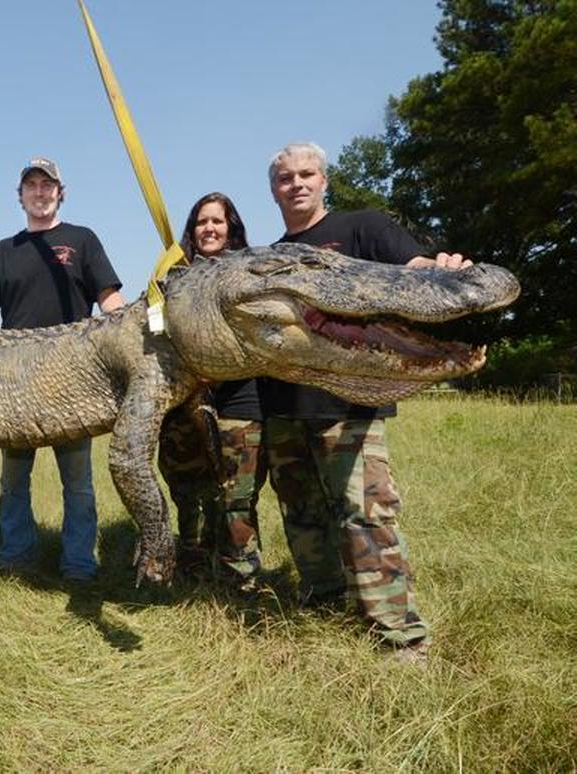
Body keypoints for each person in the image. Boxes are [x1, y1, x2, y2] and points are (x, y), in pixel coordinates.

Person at [262, 142, 470, 656]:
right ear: (274, 190)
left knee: (365, 515)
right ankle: (325, 604)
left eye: (307, 174)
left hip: (350, 405)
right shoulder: (273, 256)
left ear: (324, 180)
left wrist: (440, 266)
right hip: (285, 406)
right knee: (302, 514)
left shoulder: (363, 228)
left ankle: (399, 635)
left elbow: (414, 265)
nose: (297, 184)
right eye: (286, 178)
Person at [0, 157, 125, 582]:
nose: (40, 192)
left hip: (74, 381)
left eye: (48, 185)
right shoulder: (4, 251)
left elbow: (110, 302)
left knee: (79, 484)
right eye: (32, 186)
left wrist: (129, 335)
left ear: (60, 192)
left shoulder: (82, 240)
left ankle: (79, 565)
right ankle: (17, 558)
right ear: (20, 196)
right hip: (14, 385)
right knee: (14, 481)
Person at [157, 193, 267, 588]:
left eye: (217, 222)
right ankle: (193, 573)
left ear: (231, 227)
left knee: (236, 498)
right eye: (202, 222)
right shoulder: (173, 275)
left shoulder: (251, 273)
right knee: (188, 493)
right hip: (184, 404)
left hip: (240, 401)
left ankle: (241, 582)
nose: (209, 229)